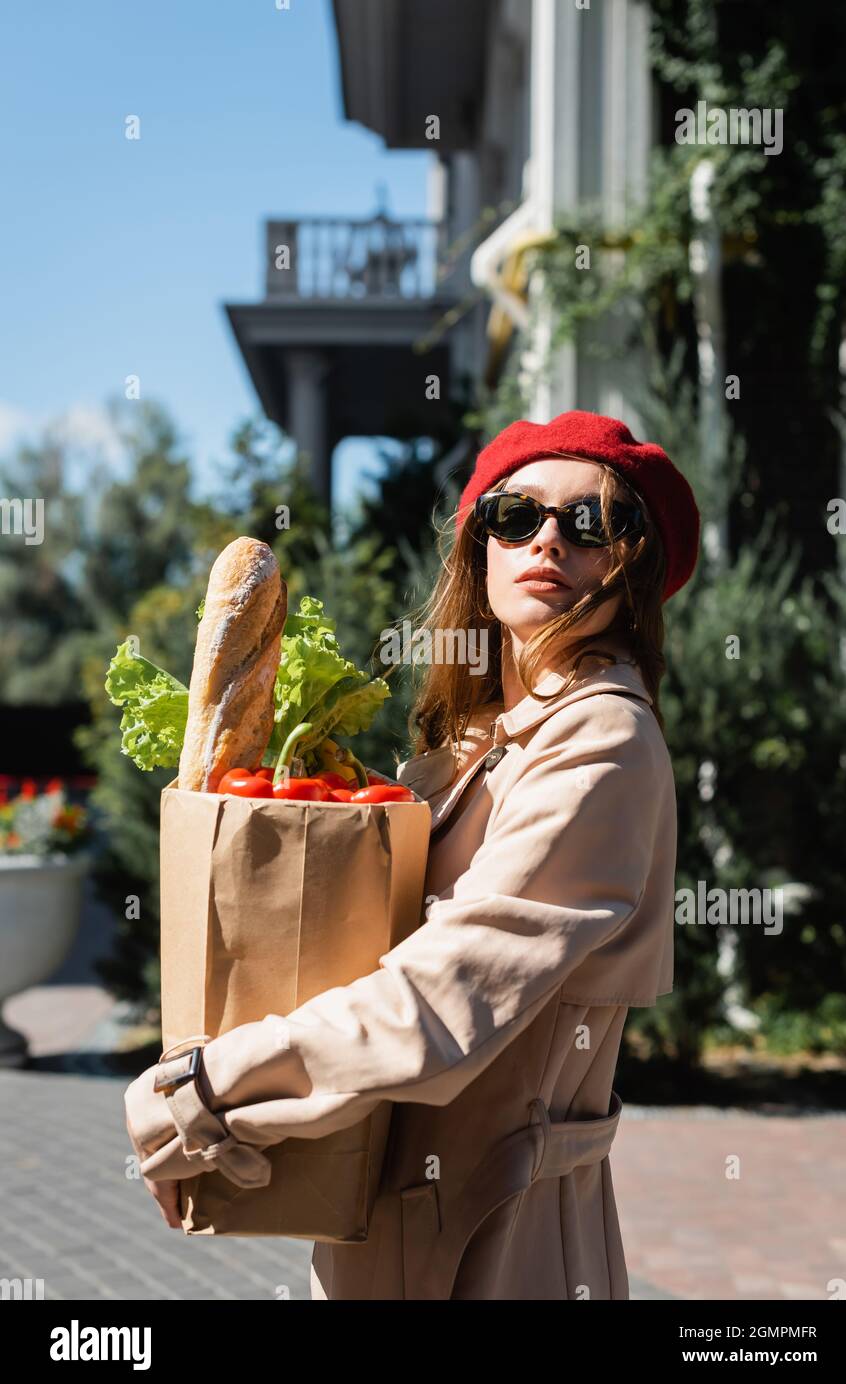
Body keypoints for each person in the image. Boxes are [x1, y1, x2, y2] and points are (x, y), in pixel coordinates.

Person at [124, 408, 700, 1300]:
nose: (548, 539)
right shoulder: (476, 742)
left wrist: (204, 1090)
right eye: (516, 517)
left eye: (591, 524)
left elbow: (443, 998)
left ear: (635, 567)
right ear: (480, 548)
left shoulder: (602, 740)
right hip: (390, 1223)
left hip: (500, 1242)